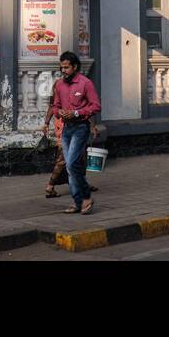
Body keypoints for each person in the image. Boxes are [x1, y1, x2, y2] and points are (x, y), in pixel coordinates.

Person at [41, 52, 100, 215]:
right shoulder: (59, 84)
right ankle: (78, 202)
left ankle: (86, 197)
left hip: (81, 127)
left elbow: (95, 106)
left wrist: (76, 113)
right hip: (66, 129)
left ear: (75, 67)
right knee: (69, 166)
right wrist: (59, 112)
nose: (63, 70)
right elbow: (55, 105)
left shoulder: (85, 83)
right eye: (62, 67)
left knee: (72, 163)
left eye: (66, 67)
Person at [44, 114, 98, 199]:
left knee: (78, 157)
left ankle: (81, 183)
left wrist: (46, 123)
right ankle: (50, 186)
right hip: (68, 125)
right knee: (64, 159)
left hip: (73, 124)